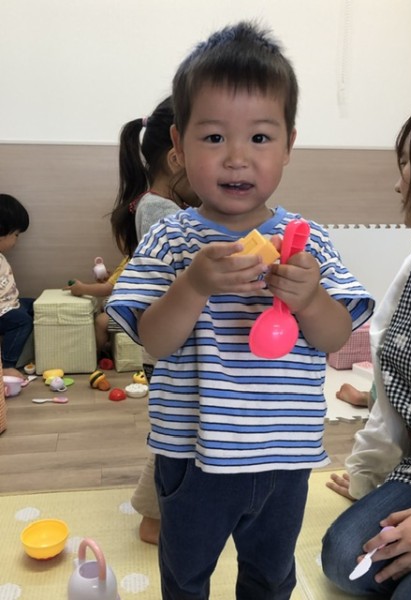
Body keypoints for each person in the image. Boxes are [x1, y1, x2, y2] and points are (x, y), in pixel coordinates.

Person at [107, 21, 373, 600]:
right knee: (185, 576)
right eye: (212, 137)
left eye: (258, 137)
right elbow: (154, 341)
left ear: (288, 144)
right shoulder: (172, 241)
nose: (236, 158)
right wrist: (193, 285)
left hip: (285, 456)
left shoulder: (308, 242)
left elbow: (334, 337)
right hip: (192, 455)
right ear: (178, 146)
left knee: (271, 576)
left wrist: (311, 299)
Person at [321, 98, 411, 600]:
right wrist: (367, 477)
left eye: (407, 163)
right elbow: (389, 393)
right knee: (344, 553)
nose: (398, 183)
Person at [110, 96, 200, 546]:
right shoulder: (161, 211)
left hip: (174, 341)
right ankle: (153, 518)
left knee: (180, 432)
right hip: (170, 345)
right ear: (177, 158)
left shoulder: (159, 205)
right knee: (175, 436)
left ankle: (166, 512)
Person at [63, 257, 128, 356]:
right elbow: (120, 284)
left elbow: (107, 289)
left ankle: (97, 355)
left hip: (139, 312)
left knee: (100, 322)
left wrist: (81, 288)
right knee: (104, 304)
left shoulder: (135, 259)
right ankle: (106, 342)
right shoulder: (128, 258)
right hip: (130, 301)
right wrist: (110, 279)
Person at [0, 194, 34, 380]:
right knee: (22, 321)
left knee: (36, 305)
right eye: (16, 235)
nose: (16, 240)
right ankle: (6, 365)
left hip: (10, 303)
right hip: (2, 310)